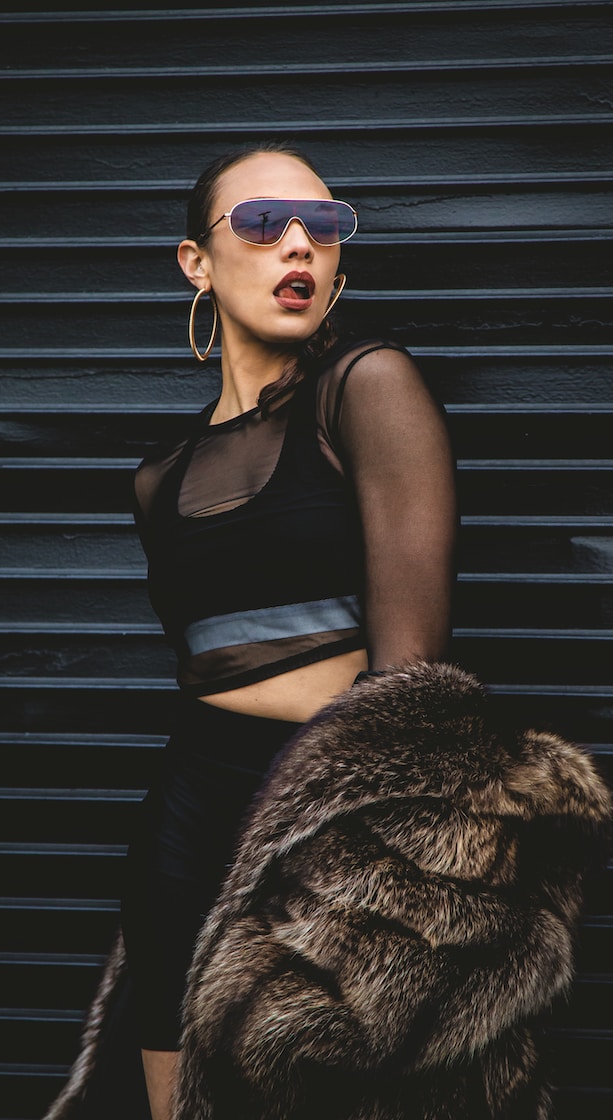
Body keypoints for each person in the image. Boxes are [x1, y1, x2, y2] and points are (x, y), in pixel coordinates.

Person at [48, 142, 457, 1120]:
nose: (299, 245)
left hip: (331, 807)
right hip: (190, 811)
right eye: (264, 224)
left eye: (323, 226)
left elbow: (411, 683)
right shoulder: (160, 479)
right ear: (197, 260)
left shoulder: (366, 387)